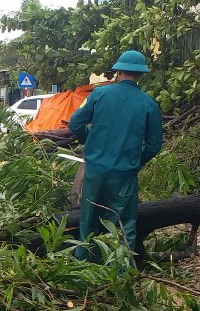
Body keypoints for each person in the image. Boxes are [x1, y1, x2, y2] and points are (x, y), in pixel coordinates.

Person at [67, 50, 163, 261]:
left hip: (95, 172)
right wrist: (136, 161)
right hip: (125, 175)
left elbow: (75, 123)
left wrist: (88, 142)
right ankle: (121, 274)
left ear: (118, 71)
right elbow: (155, 144)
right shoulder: (148, 104)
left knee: (88, 222)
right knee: (123, 226)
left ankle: (84, 270)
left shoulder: (99, 94)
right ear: (140, 75)